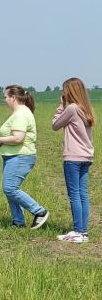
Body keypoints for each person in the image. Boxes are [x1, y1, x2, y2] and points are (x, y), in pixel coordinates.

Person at [0, 85, 49, 230]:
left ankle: (39, 212)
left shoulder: (20, 114)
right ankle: (18, 221)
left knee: (10, 188)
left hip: (20, 156)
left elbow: (18, 138)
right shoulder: (20, 112)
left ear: (13, 98)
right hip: (13, 156)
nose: (4, 100)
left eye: (5, 97)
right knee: (10, 189)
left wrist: (1, 140)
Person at [52, 77, 95, 243]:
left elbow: (55, 125)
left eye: (64, 90)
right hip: (86, 156)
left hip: (73, 157)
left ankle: (77, 231)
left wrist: (60, 106)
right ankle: (83, 232)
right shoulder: (86, 109)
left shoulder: (72, 108)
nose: (62, 93)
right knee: (83, 194)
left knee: (74, 195)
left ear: (70, 91)